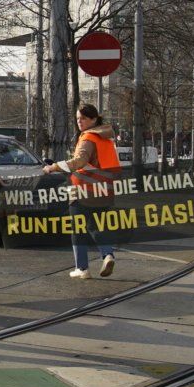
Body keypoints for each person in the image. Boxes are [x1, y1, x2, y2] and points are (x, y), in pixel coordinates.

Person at [42, 103, 122, 279]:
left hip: (82, 191)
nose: (80, 122)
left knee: (78, 228)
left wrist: (54, 167)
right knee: (98, 225)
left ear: (94, 119)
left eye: (83, 118)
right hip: (103, 190)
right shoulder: (106, 138)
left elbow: (79, 161)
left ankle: (82, 268)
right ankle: (108, 254)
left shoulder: (88, 138)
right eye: (78, 119)